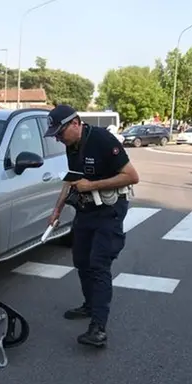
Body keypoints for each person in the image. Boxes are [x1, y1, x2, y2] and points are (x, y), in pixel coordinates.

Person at [45, 105, 140, 348]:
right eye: (54, 134)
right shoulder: (71, 145)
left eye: (60, 132)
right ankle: (89, 305)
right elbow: (72, 179)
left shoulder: (102, 139)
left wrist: (93, 185)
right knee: (81, 261)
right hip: (86, 211)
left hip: (109, 211)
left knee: (99, 265)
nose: (57, 138)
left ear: (76, 123)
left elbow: (131, 176)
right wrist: (57, 210)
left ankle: (98, 328)